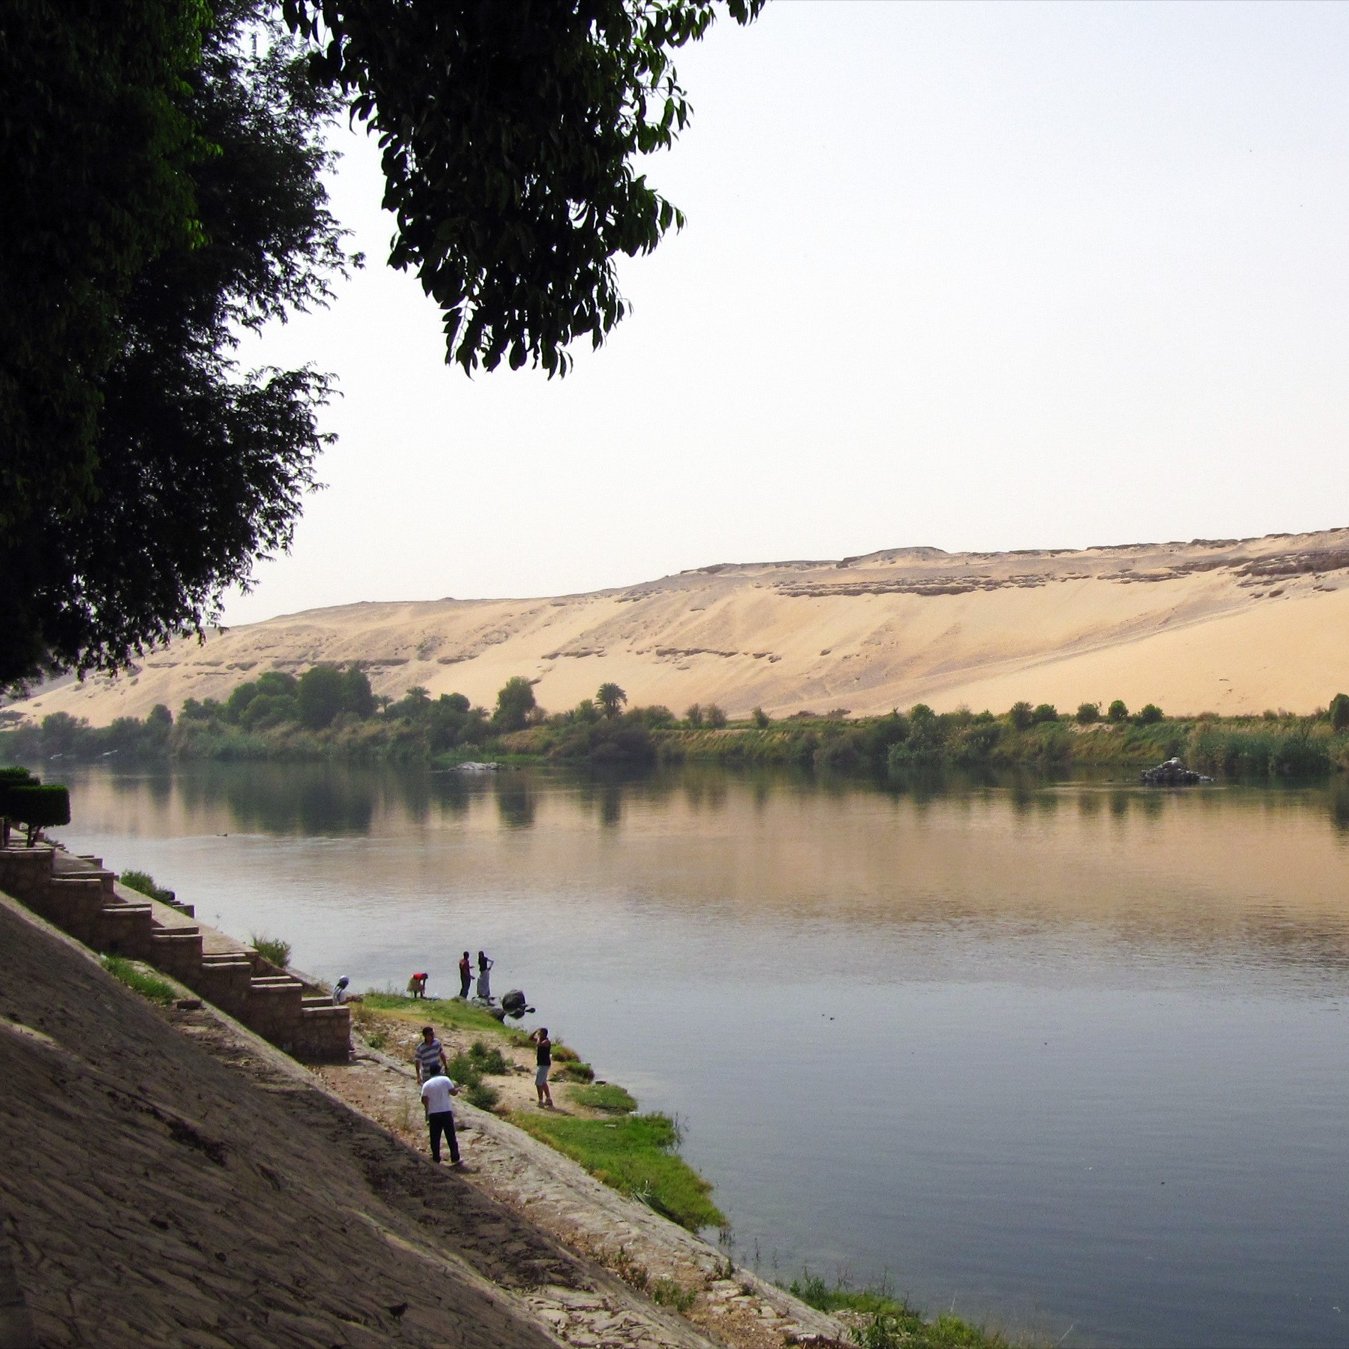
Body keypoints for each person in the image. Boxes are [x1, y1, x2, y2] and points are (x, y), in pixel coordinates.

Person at [420, 1067, 462, 1166]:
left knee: (435, 1137)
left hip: (433, 1113)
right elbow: (453, 1092)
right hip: (446, 1111)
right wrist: (458, 1089)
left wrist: (428, 1108)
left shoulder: (426, 1084)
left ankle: (436, 1158)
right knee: (450, 1135)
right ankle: (455, 1157)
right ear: (440, 1071)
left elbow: (424, 1100)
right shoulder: (445, 1079)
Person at [530, 1027, 554, 1109]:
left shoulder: (546, 1041)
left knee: (538, 1083)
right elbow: (530, 1038)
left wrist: (539, 1037)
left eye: (540, 1033)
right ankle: (548, 1099)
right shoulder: (540, 1039)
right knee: (543, 1082)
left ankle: (540, 1101)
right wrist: (535, 1031)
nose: (539, 1034)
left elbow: (539, 1044)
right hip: (541, 1064)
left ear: (544, 1034)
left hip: (544, 1064)